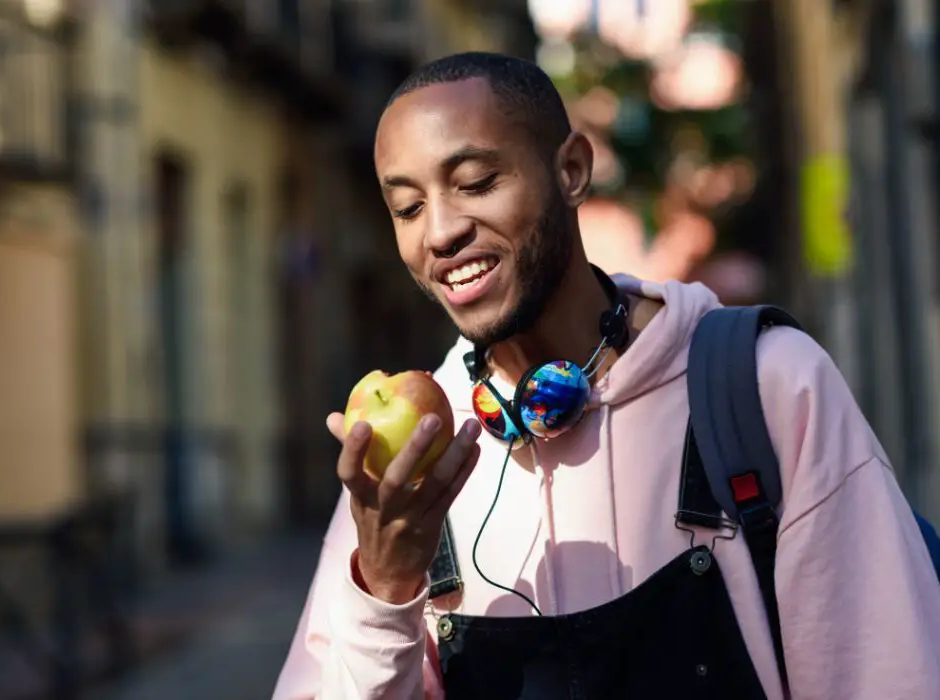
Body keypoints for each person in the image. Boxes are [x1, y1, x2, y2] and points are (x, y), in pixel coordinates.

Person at [272, 52, 940, 699]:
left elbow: (888, 675)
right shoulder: (418, 454)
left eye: (476, 183)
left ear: (570, 169)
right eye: (408, 208)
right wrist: (386, 590)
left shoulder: (765, 386)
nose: (440, 232)